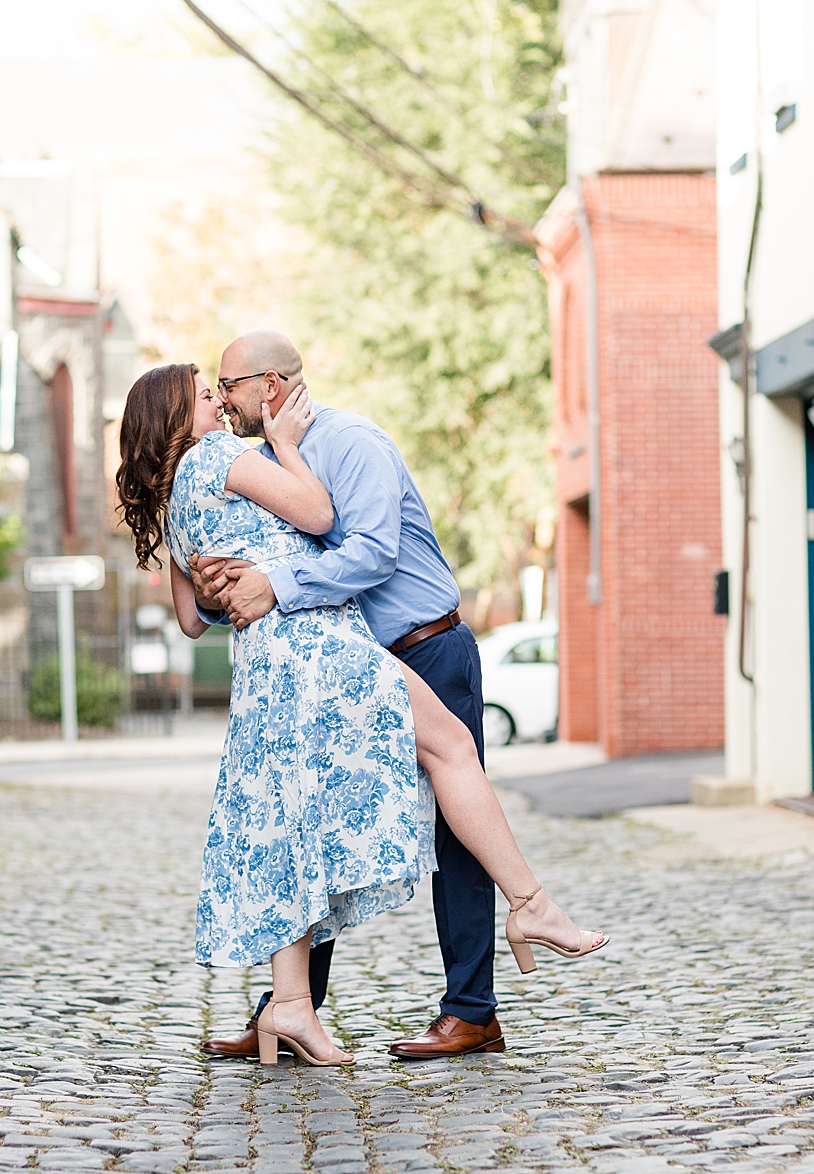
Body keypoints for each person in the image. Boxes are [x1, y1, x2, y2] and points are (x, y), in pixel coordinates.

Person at [114, 359, 605, 1069]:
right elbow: (319, 519)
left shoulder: (212, 485)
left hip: (325, 656)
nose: (218, 402)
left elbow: (193, 621)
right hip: (325, 650)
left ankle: (296, 1006)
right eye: (204, 394)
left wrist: (235, 585)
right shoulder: (227, 455)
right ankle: (528, 907)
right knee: (449, 757)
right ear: (177, 416)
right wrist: (282, 458)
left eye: (225, 388)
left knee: (302, 823)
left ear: (270, 386)